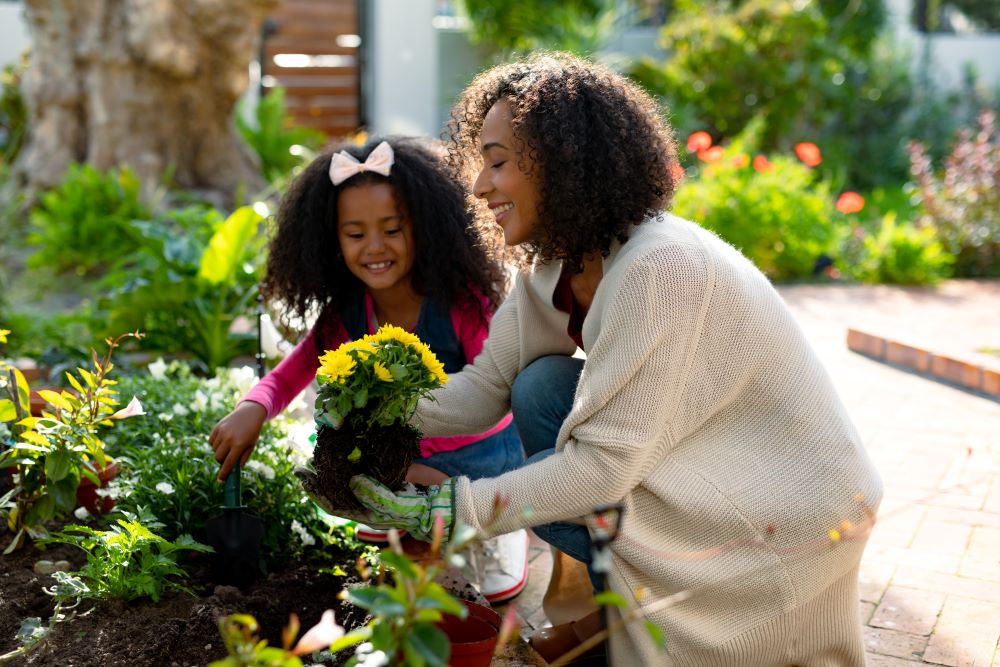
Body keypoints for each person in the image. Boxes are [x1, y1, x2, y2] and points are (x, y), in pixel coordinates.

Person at [305, 54, 886, 666]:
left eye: (498, 163)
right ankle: (610, 616)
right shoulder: (553, 263)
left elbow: (600, 472)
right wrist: (374, 405)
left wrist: (450, 510)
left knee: (561, 464)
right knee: (541, 387)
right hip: (703, 463)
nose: (479, 186)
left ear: (561, 164)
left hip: (788, 505)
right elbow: (483, 389)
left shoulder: (660, 268)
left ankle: (624, 623)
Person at [209, 136, 530, 603]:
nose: (374, 247)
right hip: (406, 462)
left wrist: (419, 461)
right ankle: (419, 532)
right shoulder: (347, 312)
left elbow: (499, 396)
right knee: (338, 470)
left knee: (419, 496)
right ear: (332, 242)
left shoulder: (460, 303)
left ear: (424, 228)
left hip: (476, 460)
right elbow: (290, 374)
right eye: (356, 234)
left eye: (392, 229)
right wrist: (252, 408)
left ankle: (495, 532)